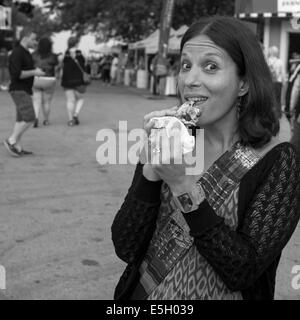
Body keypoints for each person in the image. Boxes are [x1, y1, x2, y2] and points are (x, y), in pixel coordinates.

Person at [111, 16, 300, 300]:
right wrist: (151, 171)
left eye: (210, 67)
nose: (190, 79)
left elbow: (243, 271)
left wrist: (184, 188)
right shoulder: (172, 139)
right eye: (186, 65)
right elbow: (126, 247)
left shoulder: (278, 161)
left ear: (244, 84)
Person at [4, 27, 45, 157]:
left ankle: (18, 148)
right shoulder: (17, 53)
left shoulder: (26, 53)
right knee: (30, 118)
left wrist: (35, 70)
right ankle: (11, 140)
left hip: (24, 89)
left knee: (20, 120)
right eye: (34, 39)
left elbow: (26, 70)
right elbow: (17, 74)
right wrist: (34, 72)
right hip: (19, 89)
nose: (36, 42)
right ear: (25, 38)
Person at [32, 37, 59, 127]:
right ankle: (46, 120)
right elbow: (57, 66)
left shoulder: (33, 55)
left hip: (36, 79)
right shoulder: (53, 56)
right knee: (46, 102)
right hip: (49, 80)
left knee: (36, 101)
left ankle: (35, 118)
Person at [61, 38, 86, 126]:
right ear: (76, 43)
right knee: (81, 99)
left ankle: (70, 120)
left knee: (70, 100)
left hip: (67, 80)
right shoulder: (80, 53)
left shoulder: (65, 54)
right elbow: (84, 65)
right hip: (79, 80)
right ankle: (76, 114)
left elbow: (62, 66)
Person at [267, 46, 285, 118]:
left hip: (269, 82)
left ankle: (269, 114)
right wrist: (284, 82)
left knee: (269, 97)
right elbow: (283, 73)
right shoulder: (280, 61)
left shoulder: (267, 61)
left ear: (270, 52)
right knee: (277, 98)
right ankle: (278, 114)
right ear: (276, 53)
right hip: (278, 82)